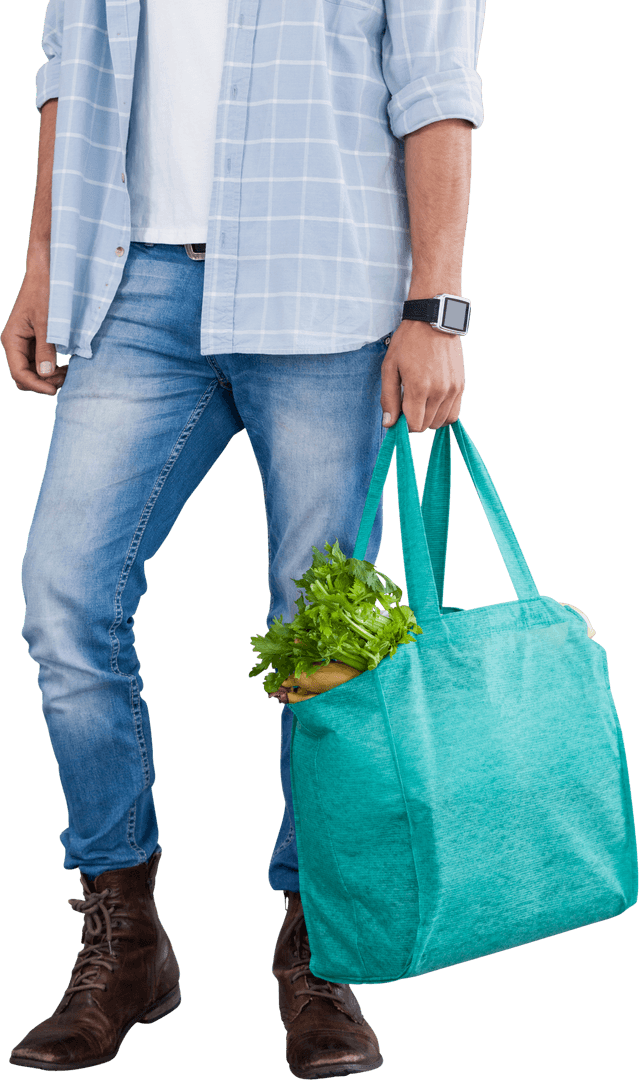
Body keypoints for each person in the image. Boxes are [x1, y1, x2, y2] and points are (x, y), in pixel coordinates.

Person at [2, 0, 485, 1074]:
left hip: (330, 292)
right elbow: (65, 71)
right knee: (61, 596)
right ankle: (123, 936)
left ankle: (319, 945)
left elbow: (438, 82)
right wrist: (41, 264)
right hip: (135, 286)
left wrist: (436, 307)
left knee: (322, 638)